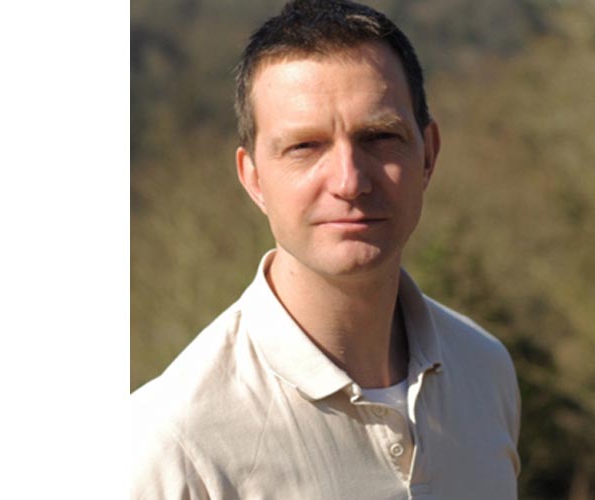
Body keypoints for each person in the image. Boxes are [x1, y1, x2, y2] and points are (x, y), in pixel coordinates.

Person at [130, 1, 521, 498]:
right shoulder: (173, 444)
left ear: (428, 155)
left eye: (379, 137)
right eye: (305, 146)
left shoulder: (485, 370)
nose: (349, 181)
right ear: (253, 178)